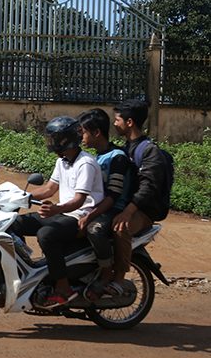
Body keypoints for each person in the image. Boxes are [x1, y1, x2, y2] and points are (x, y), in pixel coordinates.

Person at [11, 116, 105, 309]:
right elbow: (48, 189)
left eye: (54, 139)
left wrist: (56, 209)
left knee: (46, 234)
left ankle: (63, 288)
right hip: (62, 212)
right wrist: (19, 197)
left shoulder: (85, 163)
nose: (50, 143)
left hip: (79, 216)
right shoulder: (62, 162)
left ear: (65, 140)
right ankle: (27, 273)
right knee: (14, 223)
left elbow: (79, 200)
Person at [110, 99, 170, 293]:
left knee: (121, 228)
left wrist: (128, 212)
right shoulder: (125, 148)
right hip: (126, 206)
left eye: (117, 119)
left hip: (142, 212)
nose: (114, 123)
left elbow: (149, 187)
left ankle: (118, 279)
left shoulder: (149, 151)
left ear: (129, 122)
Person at [76, 108, 134, 299]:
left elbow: (114, 195)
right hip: (98, 206)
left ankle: (107, 271)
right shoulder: (93, 157)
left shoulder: (116, 157)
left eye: (84, 132)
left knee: (95, 229)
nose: (81, 137)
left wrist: (90, 216)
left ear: (96, 133)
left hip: (112, 208)